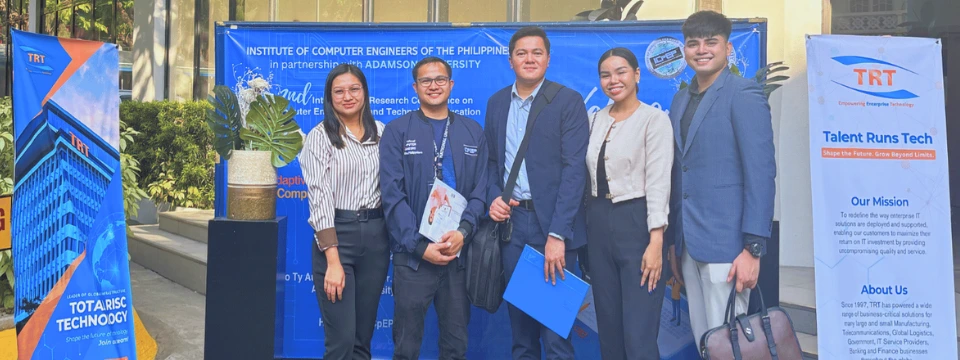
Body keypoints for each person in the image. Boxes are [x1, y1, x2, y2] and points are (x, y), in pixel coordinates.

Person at [666, 10, 776, 350]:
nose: (701, 50)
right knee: (707, 342)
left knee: (732, 345)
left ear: (727, 48)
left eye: (711, 42)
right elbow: (678, 172)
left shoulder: (743, 94)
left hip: (728, 248)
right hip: (689, 244)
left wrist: (752, 248)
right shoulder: (681, 99)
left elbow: (761, 173)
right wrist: (674, 241)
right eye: (693, 43)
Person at [485, 26, 589, 360]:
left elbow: (575, 171)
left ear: (547, 58)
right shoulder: (498, 102)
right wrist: (493, 197)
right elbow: (490, 163)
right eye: (521, 53)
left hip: (552, 229)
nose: (529, 59)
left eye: (537, 53)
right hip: (513, 227)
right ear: (510, 59)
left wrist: (558, 234)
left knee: (555, 334)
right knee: (522, 334)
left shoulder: (566, 101)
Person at [380, 57, 489, 360]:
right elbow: (392, 196)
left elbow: (481, 192)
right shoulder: (397, 131)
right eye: (426, 81)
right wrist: (418, 246)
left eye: (440, 79)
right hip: (413, 259)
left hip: (457, 257)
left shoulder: (472, 131)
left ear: (451, 85)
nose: (433, 86)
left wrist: (463, 233)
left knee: (456, 346)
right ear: (415, 87)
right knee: (406, 346)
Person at [585, 47, 673, 360]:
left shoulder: (654, 120)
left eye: (621, 72)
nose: (613, 80)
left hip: (638, 225)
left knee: (639, 337)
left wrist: (656, 241)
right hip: (598, 225)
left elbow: (660, 182)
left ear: (636, 75)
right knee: (609, 331)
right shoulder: (593, 119)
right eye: (606, 75)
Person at [301, 63, 390, 360]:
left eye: (354, 89)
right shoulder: (320, 136)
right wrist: (333, 262)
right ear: (330, 97)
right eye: (339, 91)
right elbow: (320, 198)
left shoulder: (382, 133)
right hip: (338, 238)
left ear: (364, 92)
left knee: (362, 341)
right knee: (341, 342)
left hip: (377, 239)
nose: (347, 96)